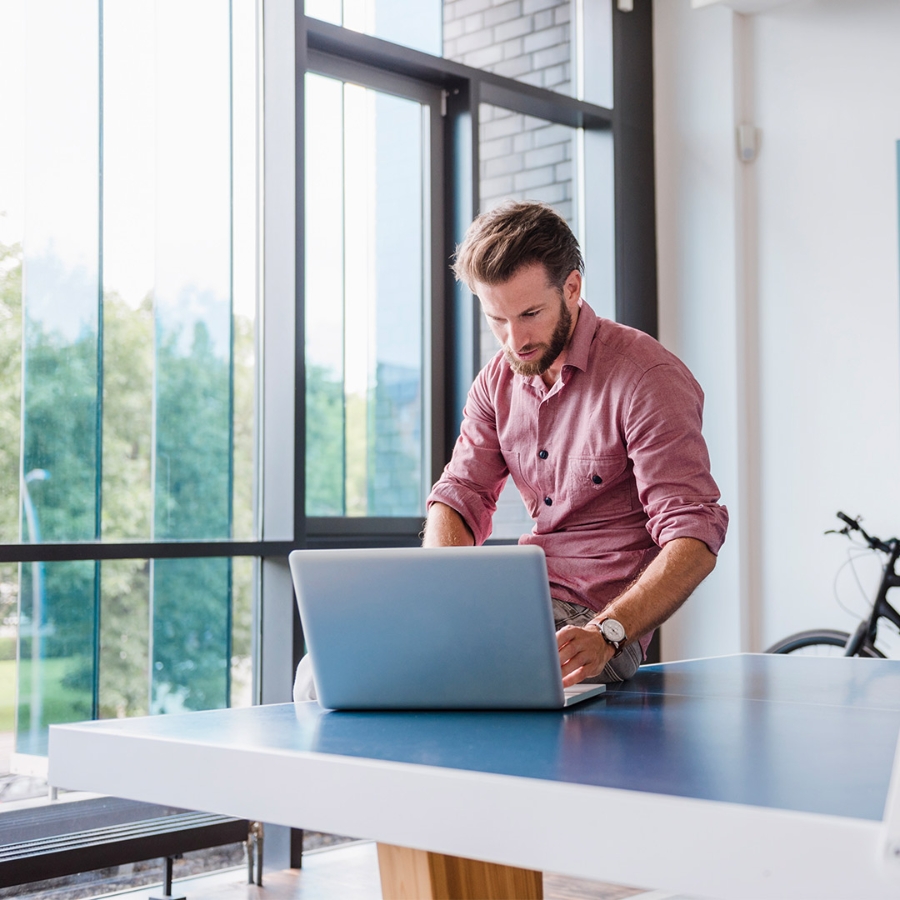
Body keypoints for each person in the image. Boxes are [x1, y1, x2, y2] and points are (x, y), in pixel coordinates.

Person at [423, 200, 728, 687]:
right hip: (519, 602)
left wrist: (608, 631)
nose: (514, 340)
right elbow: (460, 493)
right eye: (497, 319)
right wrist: (442, 592)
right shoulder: (495, 382)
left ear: (572, 289)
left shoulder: (647, 377)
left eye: (530, 314)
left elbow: (694, 534)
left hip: (595, 624)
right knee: (323, 674)